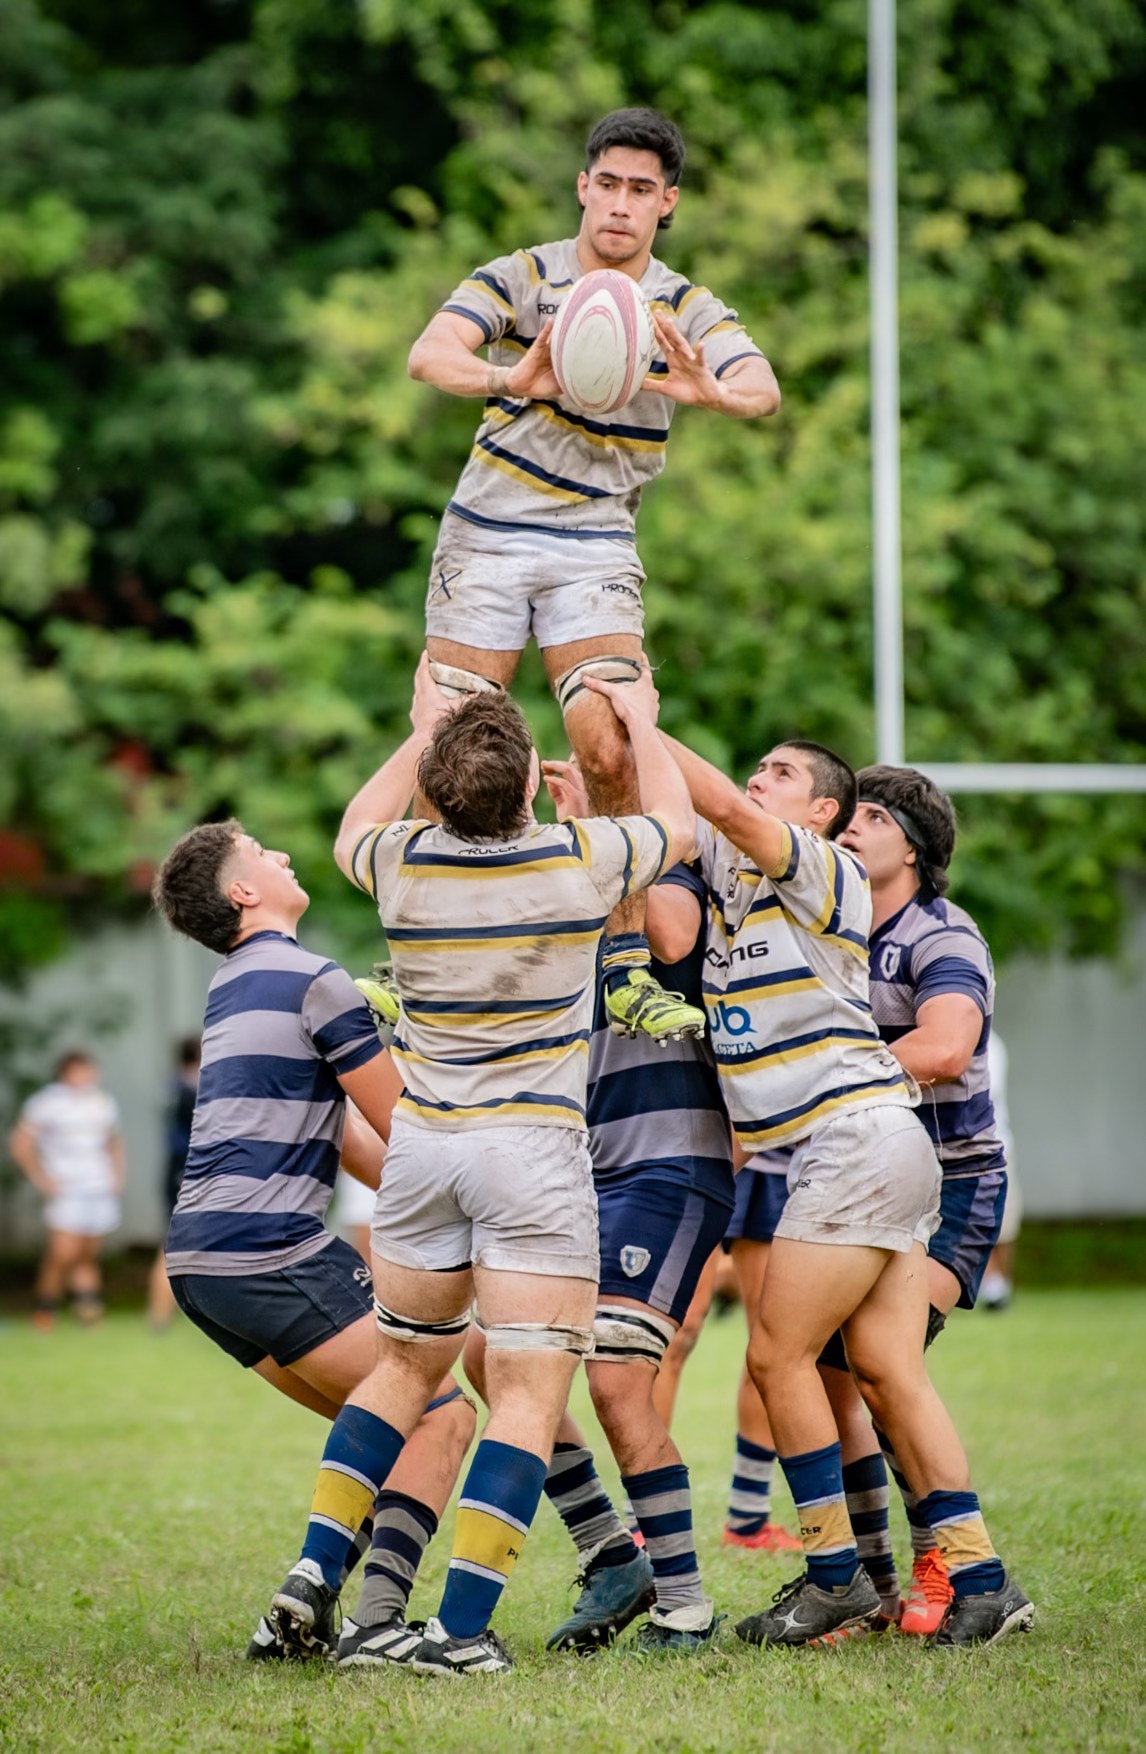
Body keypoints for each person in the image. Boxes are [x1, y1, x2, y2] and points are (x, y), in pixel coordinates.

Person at [269, 653, 695, 1677]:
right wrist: (636, 719)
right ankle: (460, 1630)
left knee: (404, 1365)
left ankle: (314, 1568)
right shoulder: (577, 860)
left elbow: (345, 828)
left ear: (437, 781)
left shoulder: (400, 861)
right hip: (531, 1151)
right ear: (523, 785)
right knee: (527, 1387)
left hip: (422, 1147)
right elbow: (676, 826)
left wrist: (420, 724)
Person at [587, 687, 1033, 1651]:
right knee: (881, 1369)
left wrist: (639, 712)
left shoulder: (823, 866)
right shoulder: (731, 877)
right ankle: (982, 1579)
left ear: (825, 813)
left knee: (776, 1357)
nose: (758, 781)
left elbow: (723, 807)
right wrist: (607, 800)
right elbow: (665, 898)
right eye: (759, 767)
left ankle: (833, 1576)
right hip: (868, 1147)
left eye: (782, 773)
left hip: (853, 1143)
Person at [403, 105, 780, 1048]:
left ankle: (621, 964)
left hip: (596, 540)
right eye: (606, 182)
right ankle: (416, 956)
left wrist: (711, 392)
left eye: (641, 189)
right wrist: (510, 378)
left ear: (668, 203)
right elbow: (430, 356)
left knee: (603, 732)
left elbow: (762, 388)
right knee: (451, 732)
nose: (620, 203)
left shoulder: (685, 305)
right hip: (487, 532)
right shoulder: (524, 276)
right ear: (583, 186)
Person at [151, 819, 475, 1662]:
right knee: (439, 1412)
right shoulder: (312, 979)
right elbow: (408, 1128)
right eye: (262, 851)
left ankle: (298, 1614)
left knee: (386, 1426)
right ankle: (376, 1623)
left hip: (199, 1264)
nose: (284, 855)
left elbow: (354, 1147)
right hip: (271, 1247)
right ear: (242, 893)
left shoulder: (236, 987)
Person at [525, 753, 734, 1653]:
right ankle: (611, 1550)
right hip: (574, 1167)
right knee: (500, 1363)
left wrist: (605, 830)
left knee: (615, 1378)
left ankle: (684, 1603)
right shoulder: (570, 888)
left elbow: (673, 939)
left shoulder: (677, 881)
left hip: (668, 1160)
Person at [826, 764, 1014, 1633]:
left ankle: (971, 1573)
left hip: (952, 1186)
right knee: (835, 1370)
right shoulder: (827, 928)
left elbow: (944, 1046)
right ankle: (873, 1582)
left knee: (880, 1359)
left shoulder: (943, 934)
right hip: (865, 1180)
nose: (850, 827)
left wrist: (816, 1074)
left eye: (871, 816)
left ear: (914, 846)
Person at [10, 1051, 125, 1330]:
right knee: (63, 1251)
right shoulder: (47, 1103)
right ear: (66, 1073)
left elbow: (113, 1141)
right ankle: (45, 1307)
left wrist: (117, 1175)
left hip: (97, 1185)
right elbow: (20, 1142)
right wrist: (41, 1177)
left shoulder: (101, 1102)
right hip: (67, 1186)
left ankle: (87, 1308)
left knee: (88, 1250)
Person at [147, 1035, 201, 1330]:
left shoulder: (176, 1085)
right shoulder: (189, 1091)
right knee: (172, 1245)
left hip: (176, 1170)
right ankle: (158, 1315)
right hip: (183, 1171)